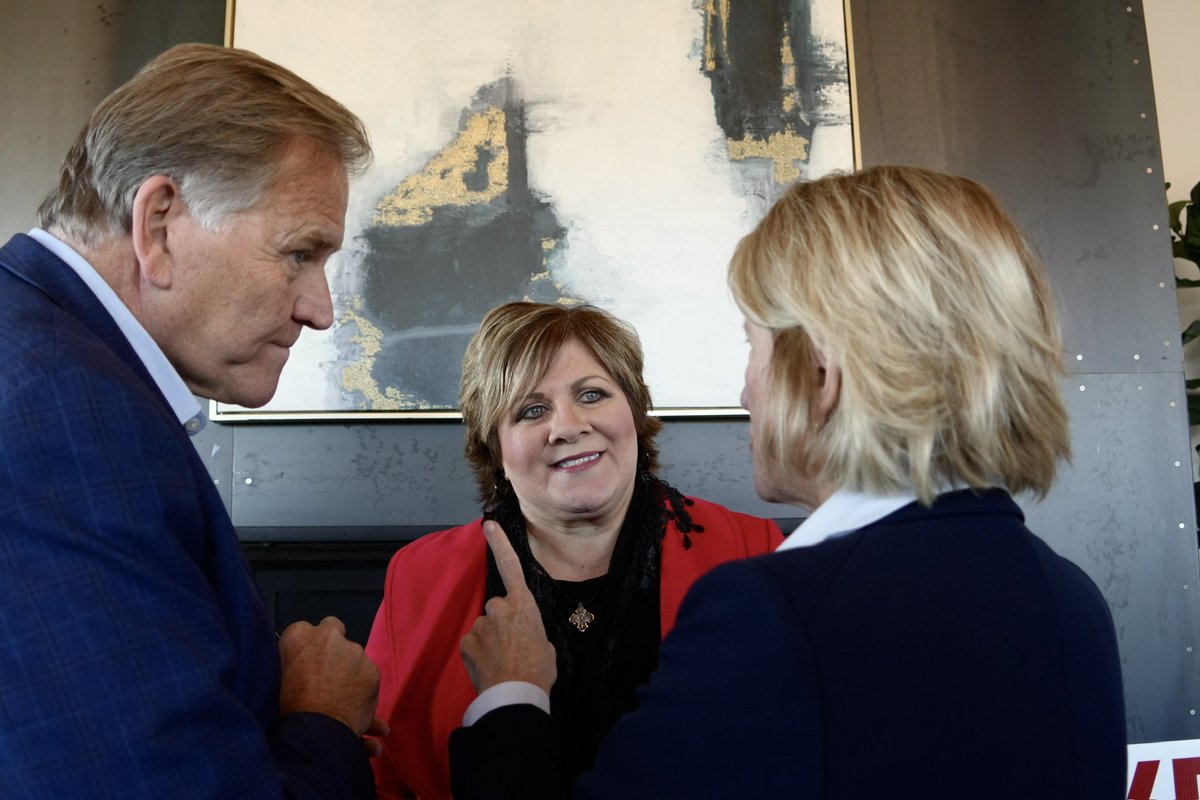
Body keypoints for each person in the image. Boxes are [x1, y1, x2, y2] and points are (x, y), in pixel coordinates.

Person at [447, 166, 1128, 798]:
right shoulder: (1072, 598)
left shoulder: (770, 614)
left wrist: (512, 694)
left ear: (821, 375)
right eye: (531, 410)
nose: (745, 391)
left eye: (755, 346)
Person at [0, 44, 387, 799]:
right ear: (160, 225)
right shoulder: (71, 418)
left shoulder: (45, 363)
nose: (321, 310)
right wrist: (324, 719)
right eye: (300, 253)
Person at [365, 301, 782, 799]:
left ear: (634, 410)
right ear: (496, 448)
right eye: (532, 410)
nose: (567, 426)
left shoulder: (753, 550)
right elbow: (382, 779)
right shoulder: (420, 575)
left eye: (591, 394)